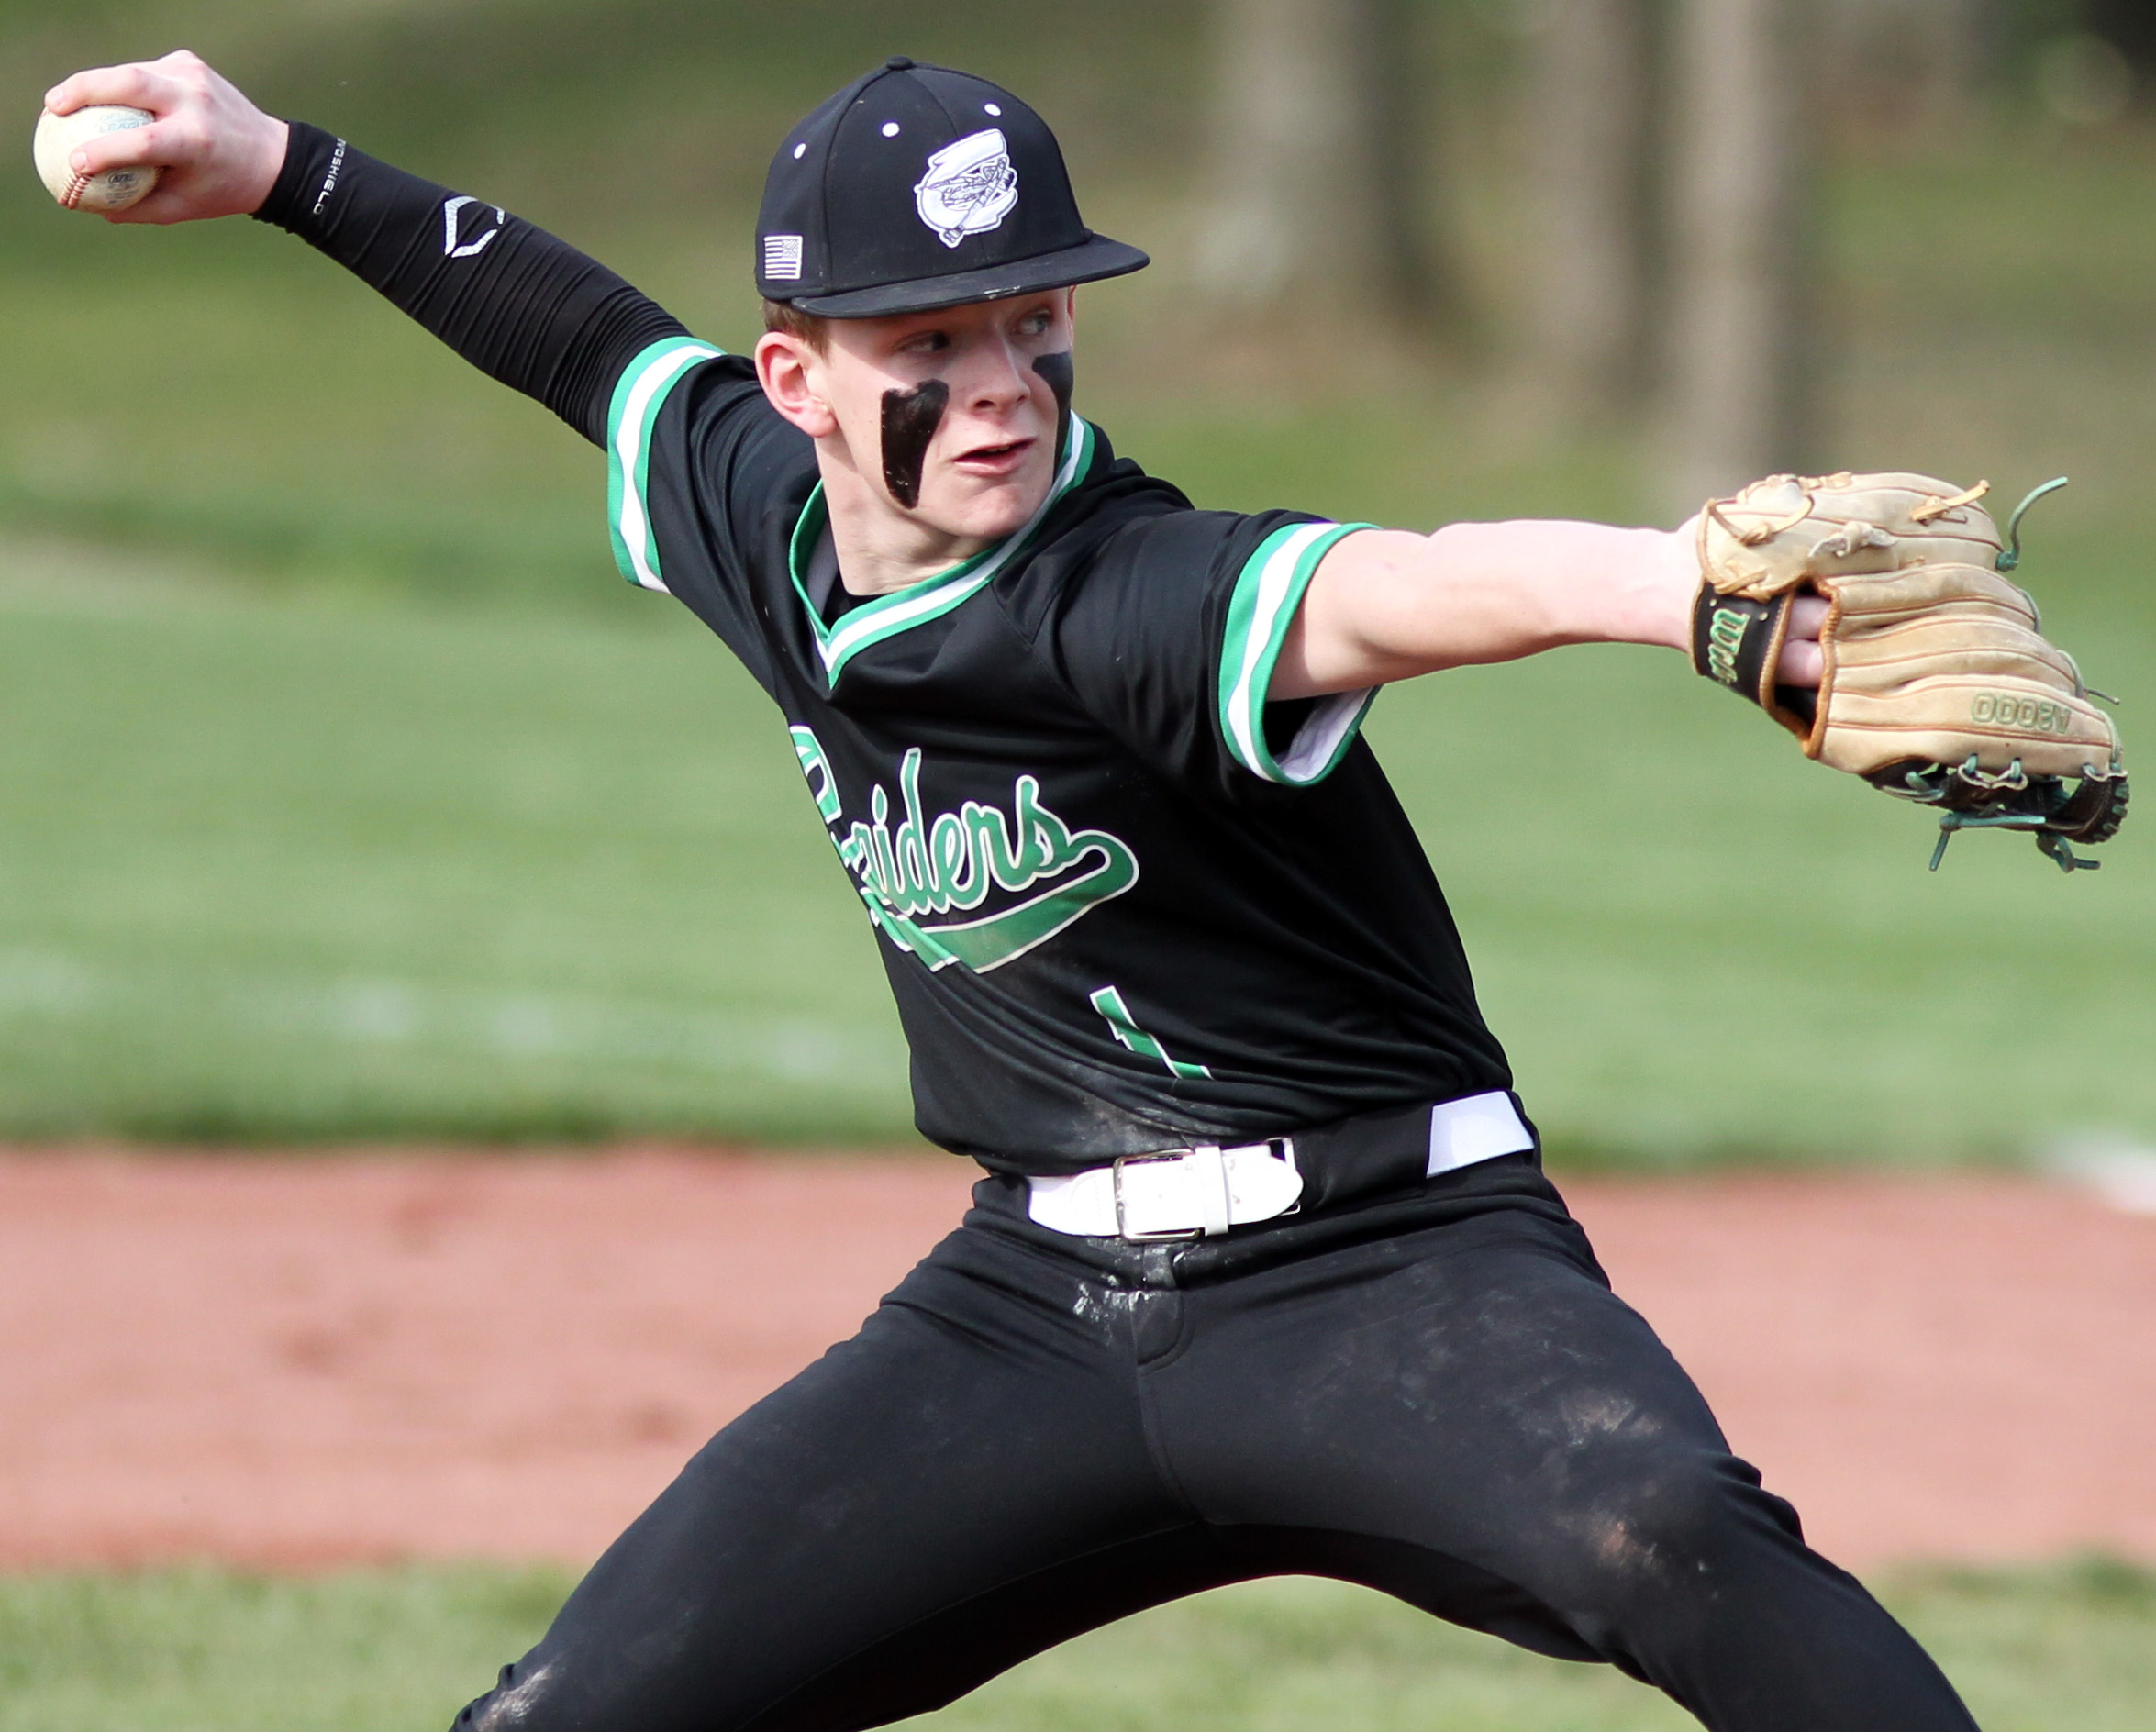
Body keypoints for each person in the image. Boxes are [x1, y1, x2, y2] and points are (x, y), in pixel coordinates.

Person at [46, 49, 1981, 1732]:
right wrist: (279, 166)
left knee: (1670, 1538)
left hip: (1390, 1270)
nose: (1000, 387)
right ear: (794, 380)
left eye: (1034, 322)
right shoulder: (751, 511)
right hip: (1035, 1306)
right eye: (930, 345)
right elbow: (568, 332)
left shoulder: (1122, 587)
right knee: (578, 1704)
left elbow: (1401, 580)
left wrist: (1691, 599)